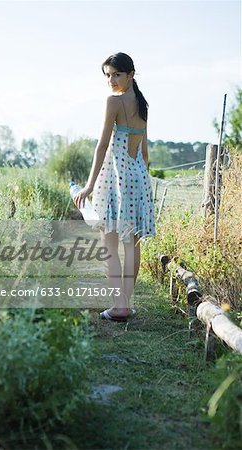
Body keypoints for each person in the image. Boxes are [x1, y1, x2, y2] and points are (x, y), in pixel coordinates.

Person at [73, 52, 155, 321]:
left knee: (109, 242)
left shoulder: (114, 102)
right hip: (138, 177)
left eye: (117, 74)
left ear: (131, 74)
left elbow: (102, 145)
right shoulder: (143, 104)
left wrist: (88, 186)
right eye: (108, 75)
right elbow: (144, 152)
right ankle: (125, 304)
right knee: (131, 244)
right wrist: (141, 178)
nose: (111, 80)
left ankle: (119, 306)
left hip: (115, 177)